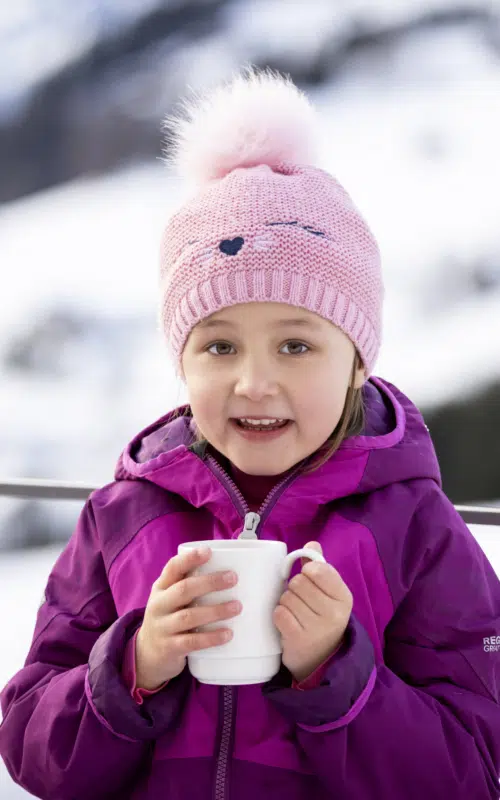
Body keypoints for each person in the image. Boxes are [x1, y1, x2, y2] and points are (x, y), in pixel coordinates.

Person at [1, 68, 499, 800]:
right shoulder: (118, 518)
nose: (254, 382)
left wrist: (339, 672)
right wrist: (132, 667)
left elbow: (475, 770)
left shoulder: (417, 531)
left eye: (295, 346)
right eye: (220, 346)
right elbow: (30, 748)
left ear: (358, 363)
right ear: (182, 358)